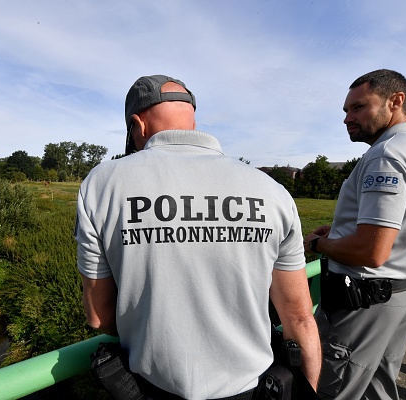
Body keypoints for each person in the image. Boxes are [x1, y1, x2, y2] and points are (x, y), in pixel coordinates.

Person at [75, 74, 321, 399]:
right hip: (257, 389)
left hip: (153, 387)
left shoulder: (101, 184)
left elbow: (99, 316)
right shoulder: (272, 191)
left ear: (138, 124)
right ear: (191, 117)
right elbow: (301, 319)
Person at [304, 69, 406, 400]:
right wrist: (342, 231)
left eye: (358, 107)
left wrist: (319, 243)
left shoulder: (387, 155)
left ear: (395, 101)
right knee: (379, 391)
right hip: (401, 295)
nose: (347, 118)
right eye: (346, 110)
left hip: (364, 305)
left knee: (336, 391)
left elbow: (372, 252)